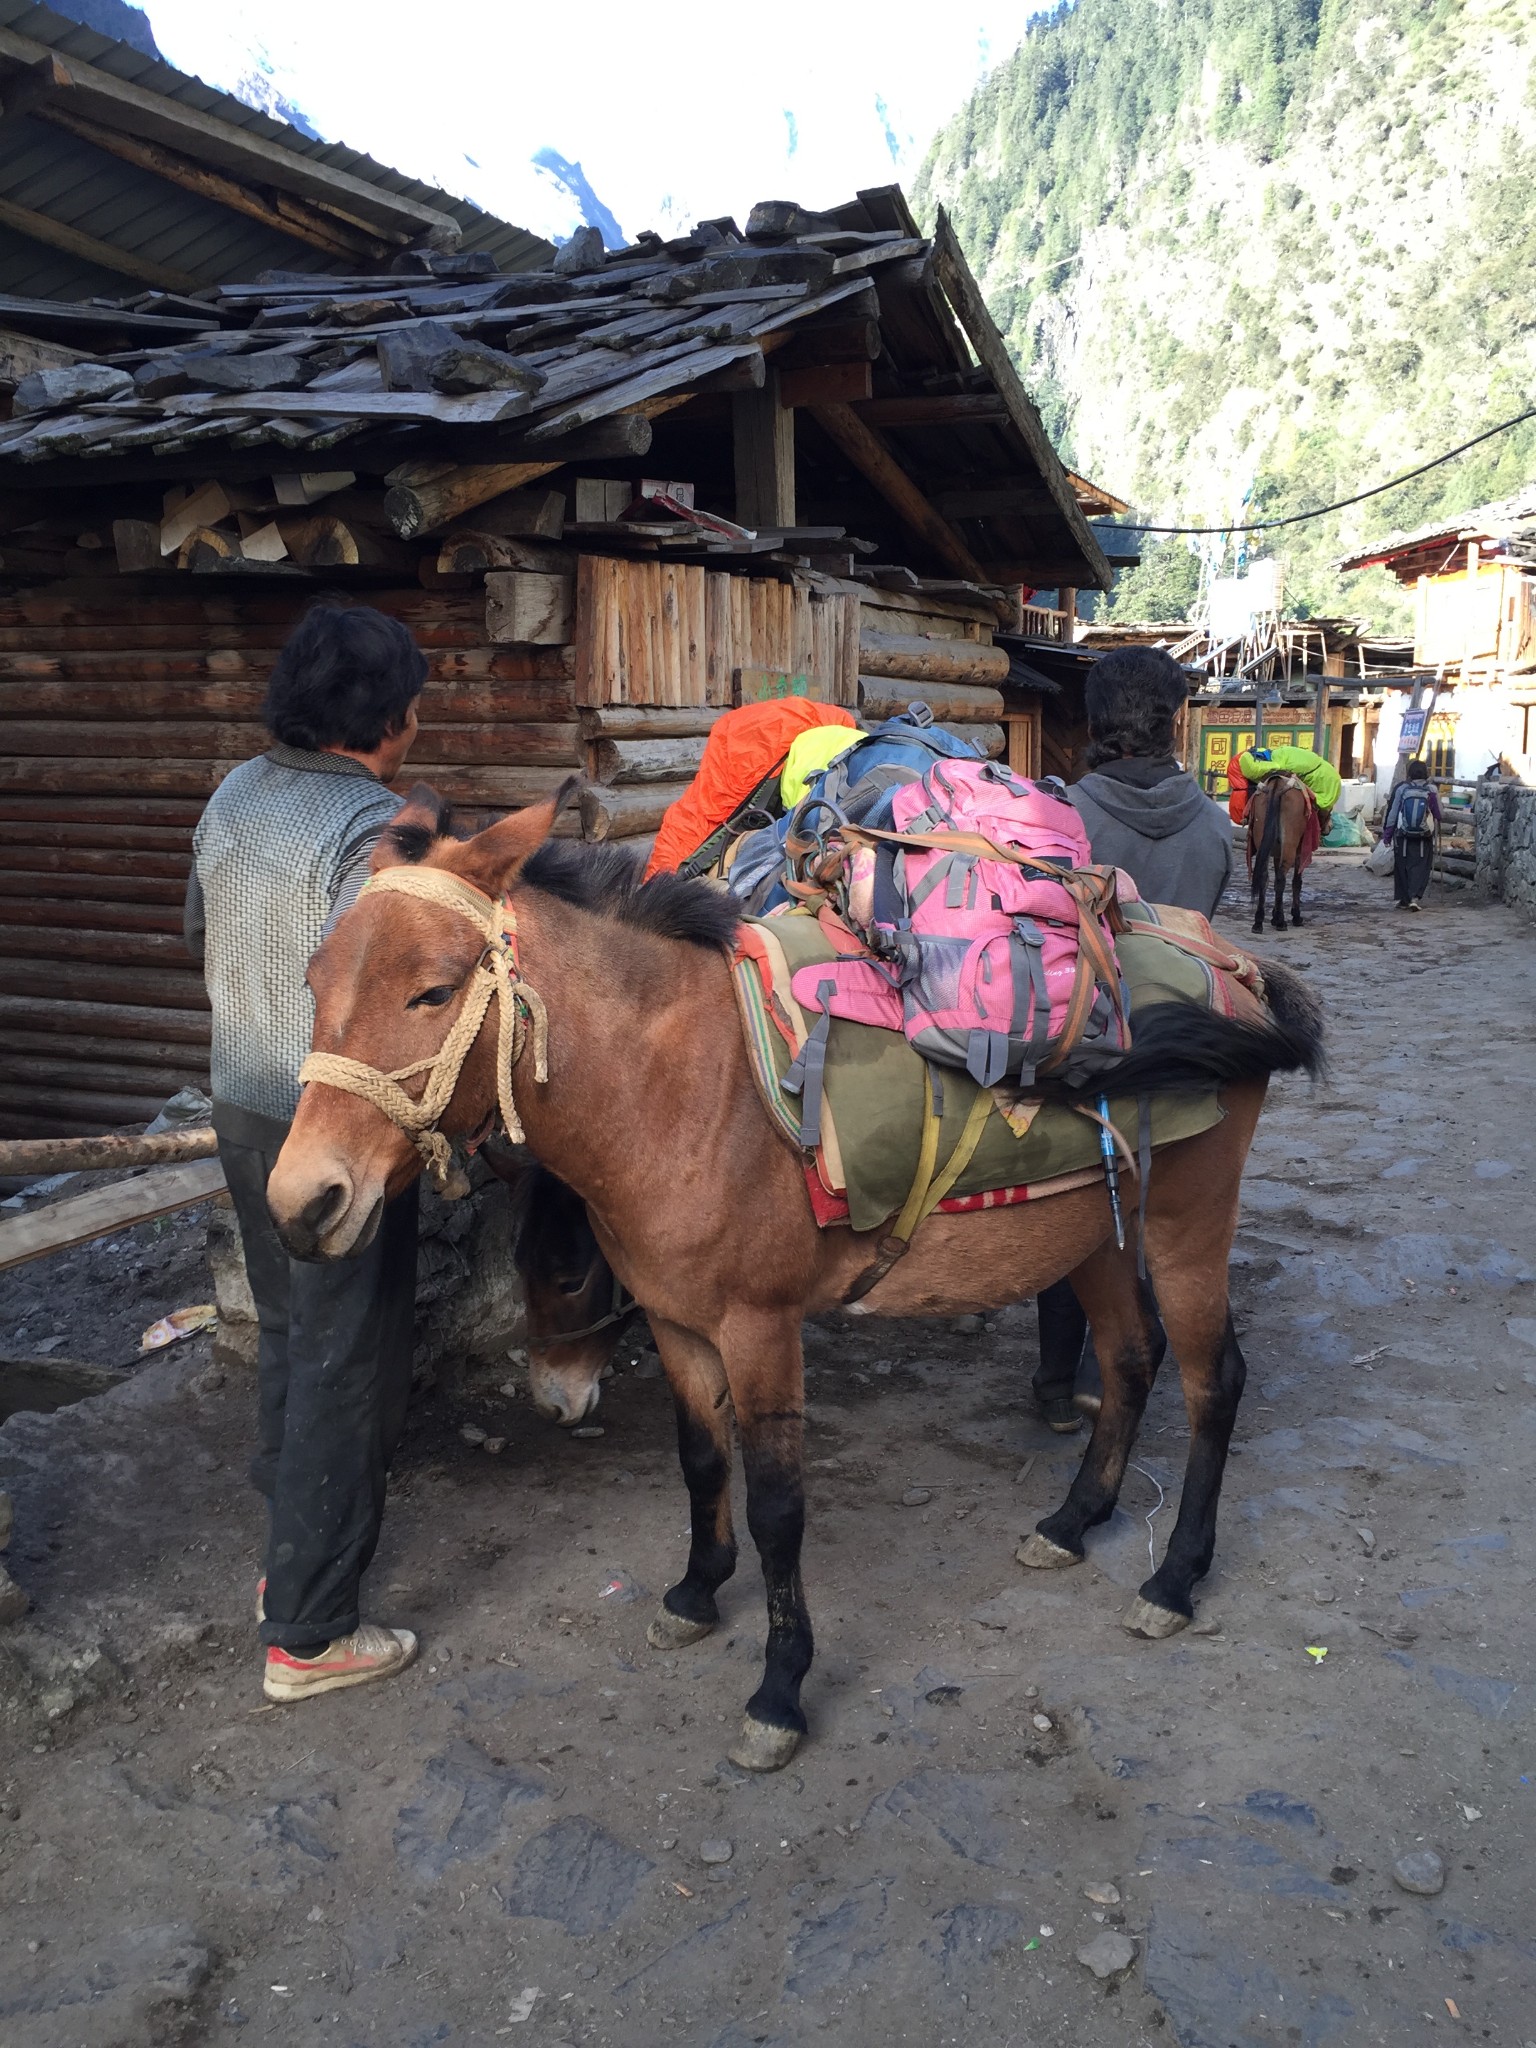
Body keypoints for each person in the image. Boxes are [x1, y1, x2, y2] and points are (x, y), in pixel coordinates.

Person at [184, 604, 426, 1701]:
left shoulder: (234, 791)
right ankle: (312, 1634)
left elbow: (196, 927)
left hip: (240, 1107)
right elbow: (375, 992)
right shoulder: (382, 823)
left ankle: (285, 1566)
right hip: (330, 1129)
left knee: (290, 1334)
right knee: (345, 1357)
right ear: (395, 717)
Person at [1033, 645, 1234, 1430]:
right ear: (1176, 722)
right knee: (1169, 1219)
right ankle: (1131, 1359)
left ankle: (1057, 1383)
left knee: (1070, 1208)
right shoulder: (1216, 830)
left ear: (1092, 723)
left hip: (1083, 1049)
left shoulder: (1060, 819)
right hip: (1184, 1052)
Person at [1380, 756, 1441, 911]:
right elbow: (1439, 813)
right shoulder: (1431, 789)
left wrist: (1387, 835)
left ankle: (1403, 899)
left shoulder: (1402, 789)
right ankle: (1415, 897)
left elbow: (1393, 813)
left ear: (1409, 773)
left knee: (1402, 865)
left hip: (1403, 835)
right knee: (1421, 865)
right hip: (1423, 836)